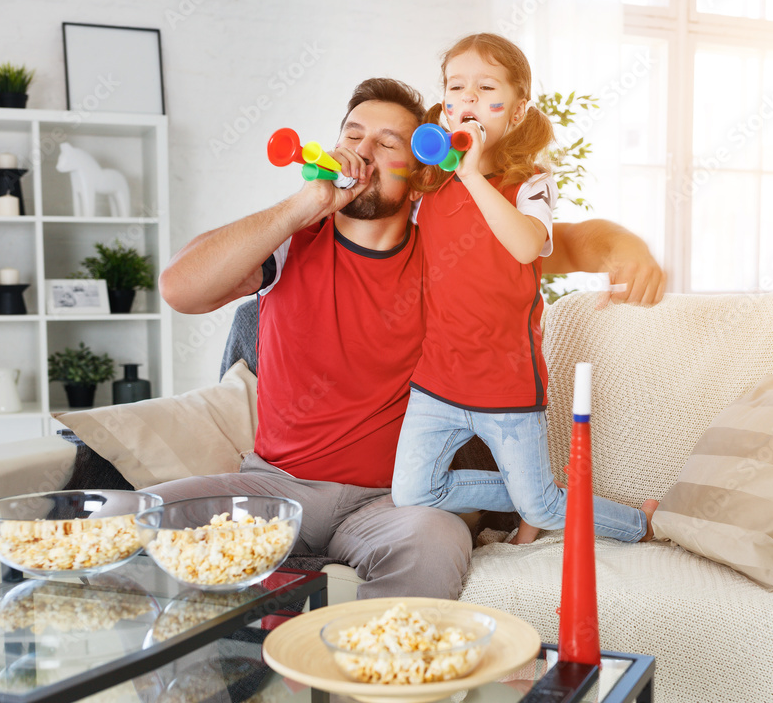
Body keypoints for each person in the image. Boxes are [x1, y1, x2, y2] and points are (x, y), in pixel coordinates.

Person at [155, 76, 664, 600]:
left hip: (394, 501)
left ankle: (371, 675)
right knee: (134, 518)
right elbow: (180, 287)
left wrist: (628, 249)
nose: (363, 153)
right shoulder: (291, 241)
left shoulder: (452, 247)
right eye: (353, 137)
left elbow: (570, 241)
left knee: (435, 541)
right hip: (276, 488)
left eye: (387, 143)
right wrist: (303, 206)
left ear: (420, 173)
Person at [390, 33, 658, 545]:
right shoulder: (429, 189)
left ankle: (642, 523)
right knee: (412, 492)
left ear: (514, 113)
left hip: (507, 388)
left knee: (545, 508)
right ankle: (532, 494)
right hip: (437, 384)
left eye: (485, 88)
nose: (468, 99)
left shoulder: (531, 185)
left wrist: (472, 178)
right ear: (445, 110)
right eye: (456, 88)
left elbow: (525, 246)